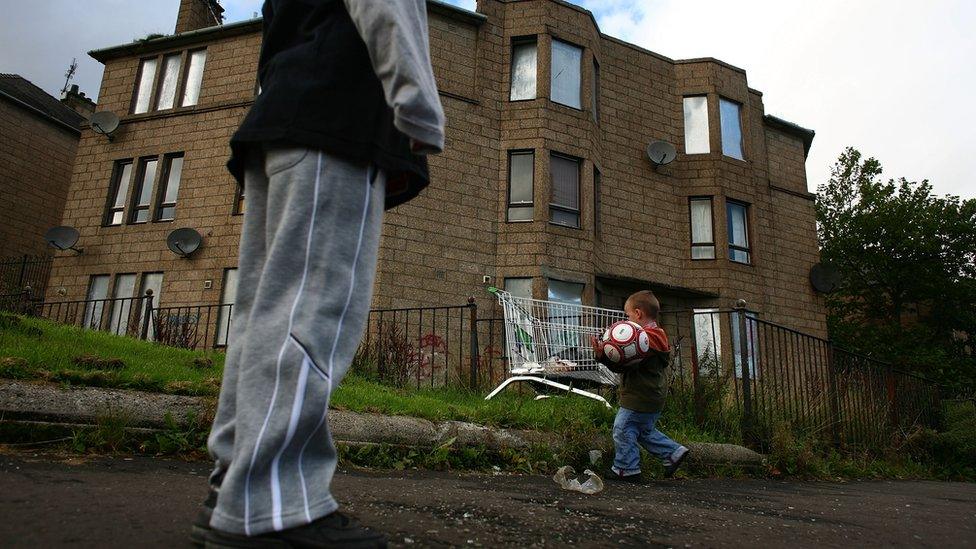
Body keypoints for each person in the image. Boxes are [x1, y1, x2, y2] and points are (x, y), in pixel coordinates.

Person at [191, 0, 445, 546]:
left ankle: (232, 488)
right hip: (337, 122)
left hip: (282, 122)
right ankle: (272, 507)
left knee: (266, 318)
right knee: (312, 315)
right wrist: (418, 107)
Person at [590, 290, 689, 482]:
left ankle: (626, 468)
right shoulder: (657, 336)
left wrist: (604, 355)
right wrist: (603, 355)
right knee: (643, 431)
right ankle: (673, 453)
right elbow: (625, 365)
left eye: (627, 315)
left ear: (638, 314)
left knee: (622, 428)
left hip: (639, 395)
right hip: (653, 395)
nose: (626, 319)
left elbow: (623, 364)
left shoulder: (642, 339)